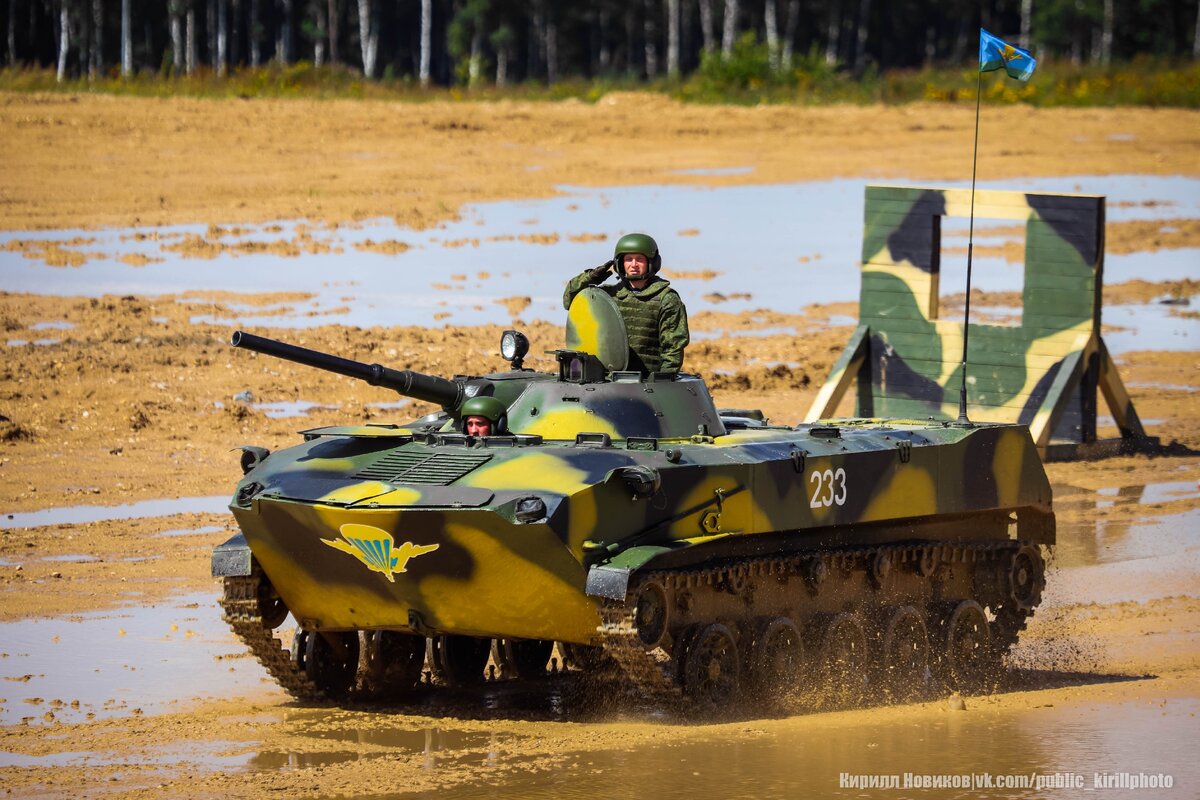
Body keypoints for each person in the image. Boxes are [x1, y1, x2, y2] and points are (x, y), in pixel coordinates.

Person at [562, 232, 689, 375]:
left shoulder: (666, 299)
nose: (633, 265)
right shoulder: (609, 295)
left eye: (639, 259)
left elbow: (672, 347)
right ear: (620, 263)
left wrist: (662, 380)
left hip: (646, 381)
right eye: (628, 259)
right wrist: (591, 277)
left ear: (652, 262)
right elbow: (570, 302)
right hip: (609, 378)